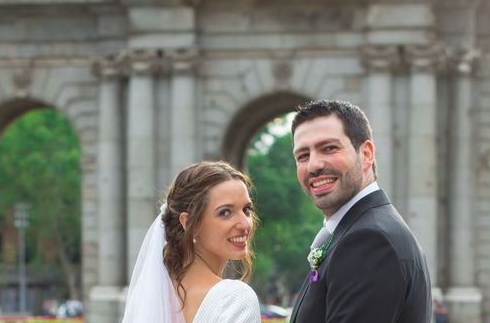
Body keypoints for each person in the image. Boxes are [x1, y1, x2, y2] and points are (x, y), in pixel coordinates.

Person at [289, 99, 432, 323]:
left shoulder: (369, 240)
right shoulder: (363, 229)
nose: (314, 165)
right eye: (303, 156)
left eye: (329, 148)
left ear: (366, 154)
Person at [121, 161, 261, 323]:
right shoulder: (235, 299)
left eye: (246, 210)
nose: (245, 224)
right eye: (225, 213)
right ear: (189, 224)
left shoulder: (151, 298)